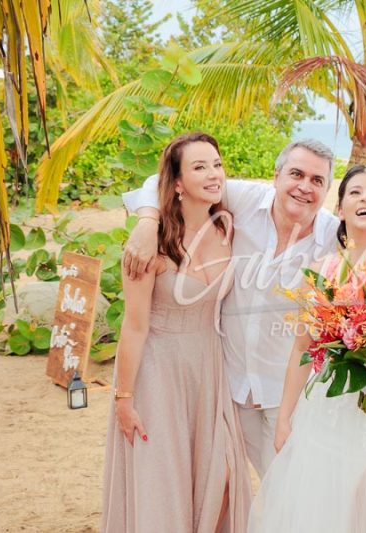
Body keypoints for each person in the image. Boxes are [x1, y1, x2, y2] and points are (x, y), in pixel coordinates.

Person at [121, 139, 340, 478]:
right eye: (296, 174)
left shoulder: (333, 236)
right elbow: (162, 179)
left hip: (289, 394)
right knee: (229, 485)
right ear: (276, 175)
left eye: (317, 181)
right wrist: (148, 221)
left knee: (291, 488)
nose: (304, 187)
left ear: (327, 190)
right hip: (230, 387)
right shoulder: (243, 201)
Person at [249, 165, 366, 533]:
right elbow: (303, 348)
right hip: (330, 409)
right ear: (341, 210)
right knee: (329, 505)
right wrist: (285, 417)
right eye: (356, 192)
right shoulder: (322, 271)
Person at [101, 132, 250, 532]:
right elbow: (134, 327)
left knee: (219, 479)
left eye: (217, 164)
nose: (214, 174)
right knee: (162, 482)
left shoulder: (228, 227)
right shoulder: (150, 245)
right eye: (199, 167)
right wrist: (124, 398)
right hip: (158, 370)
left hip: (208, 366)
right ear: (178, 183)